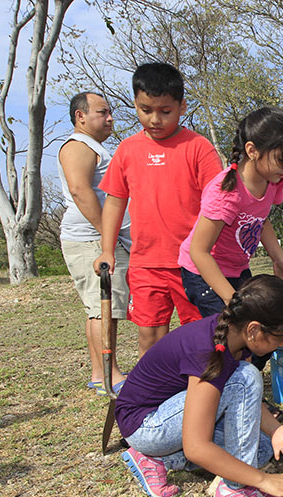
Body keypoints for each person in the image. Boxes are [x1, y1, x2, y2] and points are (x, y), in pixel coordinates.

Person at [116, 275, 283, 497]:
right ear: (253, 329)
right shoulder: (208, 352)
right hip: (146, 425)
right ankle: (236, 490)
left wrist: (275, 430)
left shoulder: (233, 336)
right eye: (280, 337)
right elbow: (197, 448)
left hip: (173, 417)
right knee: (246, 378)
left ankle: (158, 460)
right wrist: (262, 480)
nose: (282, 344)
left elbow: (243, 400)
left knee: (261, 449)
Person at [95, 62, 223, 356]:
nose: (155, 119)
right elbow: (115, 201)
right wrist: (107, 250)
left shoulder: (198, 147)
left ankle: (196, 395)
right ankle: (152, 397)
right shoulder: (128, 150)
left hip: (193, 264)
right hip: (146, 264)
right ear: (136, 105)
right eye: (145, 109)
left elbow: (218, 205)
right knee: (150, 337)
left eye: (165, 111)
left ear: (182, 107)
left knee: (201, 335)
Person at [178, 107, 283, 317]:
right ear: (252, 150)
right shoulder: (227, 193)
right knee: (234, 331)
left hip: (237, 269)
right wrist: (231, 299)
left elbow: (261, 221)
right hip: (203, 272)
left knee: (257, 326)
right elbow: (198, 251)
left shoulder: (274, 180)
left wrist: (278, 259)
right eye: (281, 160)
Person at [58, 91, 131, 394]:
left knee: (102, 306)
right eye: (103, 112)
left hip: (100, 238)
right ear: (81, 116)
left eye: (110, 112)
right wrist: (107, 236)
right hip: (90, 239)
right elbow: (79, 190)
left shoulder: (95, 147)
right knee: (102, 305)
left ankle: (102, 373)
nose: (110, 118)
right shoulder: (78, 146)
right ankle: (107, 375)